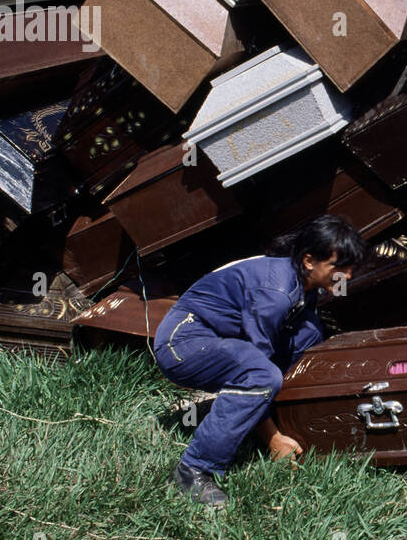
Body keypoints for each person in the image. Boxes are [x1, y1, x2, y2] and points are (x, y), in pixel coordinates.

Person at [152, 215, 368, 506]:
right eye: (338, 267)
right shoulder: (275, 293)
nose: (348, 276)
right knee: (262, 376)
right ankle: (192, 471)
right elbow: (259, 369)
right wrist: (272, 439)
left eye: (350, 267)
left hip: (218, 339)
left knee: (310, 333)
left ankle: (276, 417)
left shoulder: (302, 283)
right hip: (183, 343)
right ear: (308, 261)